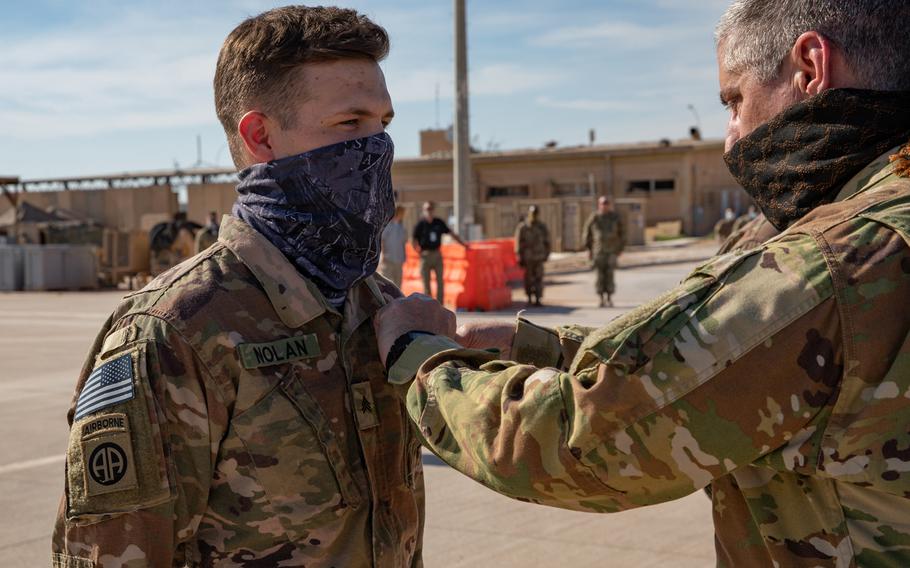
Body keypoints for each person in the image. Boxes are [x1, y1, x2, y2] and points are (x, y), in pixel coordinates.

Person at [375, 1, 910, 566]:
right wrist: (542, 349)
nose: (732, 140)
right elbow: (720, 360)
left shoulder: (833, 264)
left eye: (735, 101)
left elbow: (579, 444)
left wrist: (421, 360)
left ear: (810, 68)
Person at [53, 7, 426, 567]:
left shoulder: (378, 307)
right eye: (350, 124)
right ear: (260, 136)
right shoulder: (174, 335)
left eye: (384, 124)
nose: (377, 148)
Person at [412, 201, 467, 304]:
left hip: (437, 254)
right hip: (425, 255)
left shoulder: (438, 222)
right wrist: (418, 252)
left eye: (430, 209)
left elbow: (451, 233)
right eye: (426, 209)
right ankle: (428, 305)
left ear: (433, 210)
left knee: (440, 281)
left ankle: (440, 304)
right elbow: (414, 240)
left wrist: (463, 244)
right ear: (424, 210)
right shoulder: (420, 224)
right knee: (426, 282)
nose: (429, 211)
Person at [582, 196, 625, 307]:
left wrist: (620, 249)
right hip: (598, 251)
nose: (604, 206)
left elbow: (622, 234)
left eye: (606, 203)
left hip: (611, 251)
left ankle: (609, 298)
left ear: (609, 205)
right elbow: (587, 233)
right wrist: (588, 249)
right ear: (599, 205)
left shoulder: (615, 217)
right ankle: (601, 298)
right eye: (602, 203)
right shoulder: (595, 217)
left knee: (610, 274)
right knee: (599, 276)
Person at [514, 205, 550, 306]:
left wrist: (547, 254)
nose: (533, 215)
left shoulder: (542, 227)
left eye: (535, 213)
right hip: (528, 257)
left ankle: (538, 298)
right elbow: (518, 242)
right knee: (529, 279)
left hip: (539, 257)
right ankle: (529, 297)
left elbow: (547, 241)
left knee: (539, 277)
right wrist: (519, 255)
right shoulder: (523, 227)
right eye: (532, 213)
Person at [379, 205, 407, 287]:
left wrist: (404, 256)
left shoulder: (402, 227)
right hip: (388, 260)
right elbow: (382, 240)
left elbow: (403, 243)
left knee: (398, 285)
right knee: (385, 285)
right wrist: (383, 255)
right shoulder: (388, 225)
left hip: (399, 260)